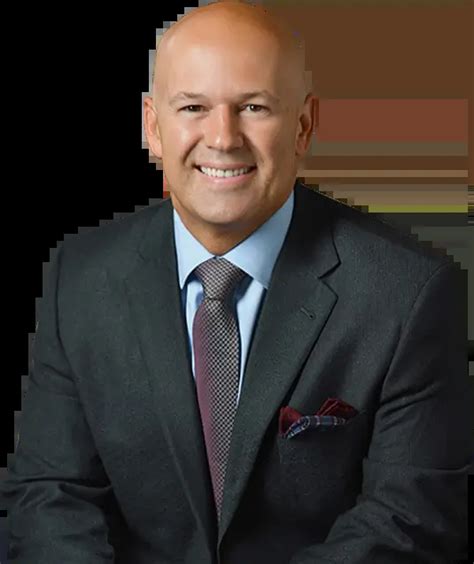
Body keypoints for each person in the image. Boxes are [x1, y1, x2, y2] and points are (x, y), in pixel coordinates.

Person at [2, 1, 471, 563]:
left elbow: (408, 519)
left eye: (253, 107)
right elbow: (51, 494)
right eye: (193, 107)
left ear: (303, 126)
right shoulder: (81, 276)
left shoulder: (408, 292)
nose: (223, 138)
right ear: (152, 126)